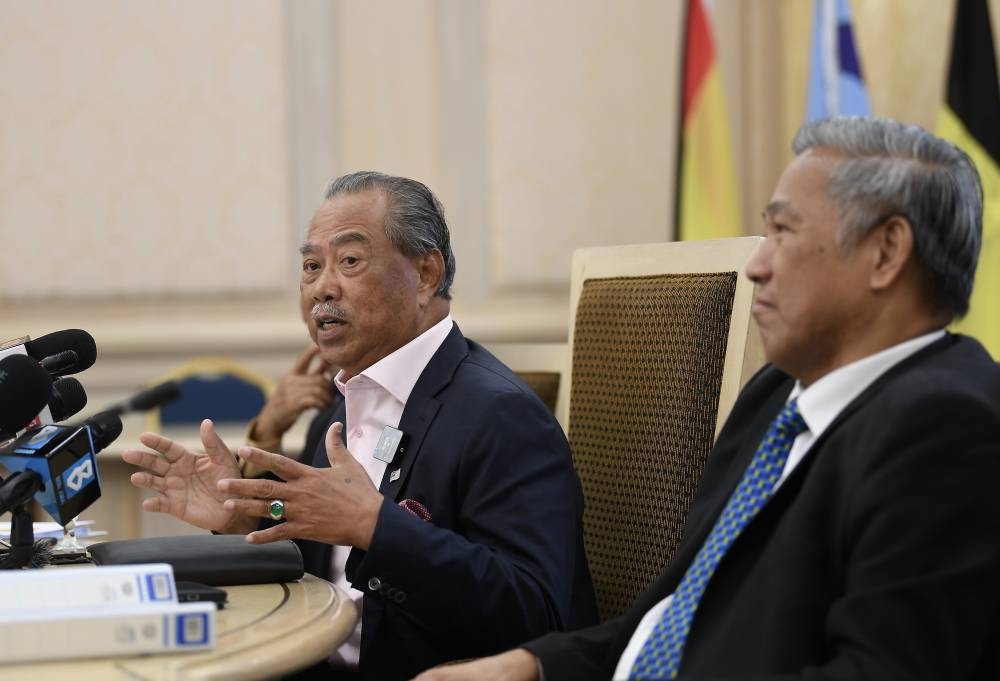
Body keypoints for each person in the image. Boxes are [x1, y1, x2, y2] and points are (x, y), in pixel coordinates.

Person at [412, 117, 1000, 681]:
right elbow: (679, 612)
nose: (756, 266)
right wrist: (535, 666)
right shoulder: (778, 393)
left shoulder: (949, 429)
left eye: (783, 232)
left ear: (887, 251)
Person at [122, 171, 598, 680]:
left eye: (349, 261)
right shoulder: (338, 407)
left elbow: (536, 614)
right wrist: (248, 516)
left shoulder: (502, 415)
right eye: (311, 266)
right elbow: (320, 553)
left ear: (425, 274)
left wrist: (378, 528)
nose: (322, 287)